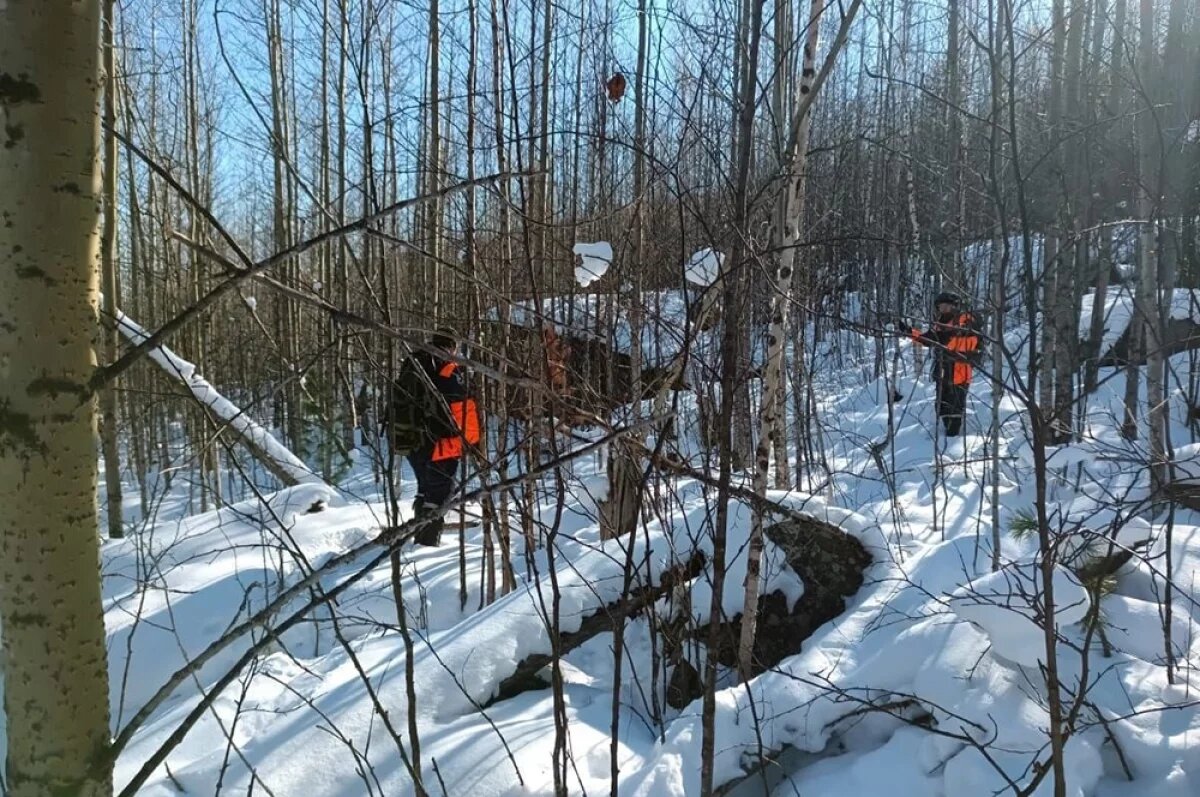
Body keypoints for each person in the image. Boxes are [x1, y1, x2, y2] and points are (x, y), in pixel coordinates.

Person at [385, 327, 480, 545]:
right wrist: (468, 439)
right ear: (452, 345)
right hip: (440, 443)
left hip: (411, 440)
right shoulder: (446, 365)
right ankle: (427, 545)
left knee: (425, 489)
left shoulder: (414, 362)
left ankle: (420, 536)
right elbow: (458, 404)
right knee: (439, 496)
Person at [897, 293, 980, 437]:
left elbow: (974, 342)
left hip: (959, 371)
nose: (944, 309)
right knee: (941, 404)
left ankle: (953, 437)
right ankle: (945, 433)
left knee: (955, 405)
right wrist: (910, 332)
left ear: (955, 306)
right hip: (943, 369)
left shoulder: (965, 320)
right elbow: (928, 339)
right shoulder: (940, 324)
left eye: (947, 306)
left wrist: (949, 341)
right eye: (941, 307)